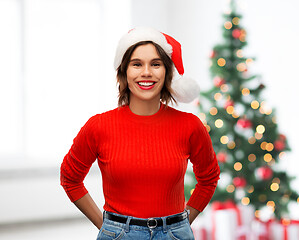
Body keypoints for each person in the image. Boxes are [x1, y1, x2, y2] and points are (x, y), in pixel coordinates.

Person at [60, 27, 220, 240]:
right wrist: (106, 226)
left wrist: (179, 225)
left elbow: (209, 178)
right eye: (137, 64)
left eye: (156, 64)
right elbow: (70, 178)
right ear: (124, 72)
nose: (146, 72)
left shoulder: (189, 125)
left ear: (167, 72)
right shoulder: (98, 126)